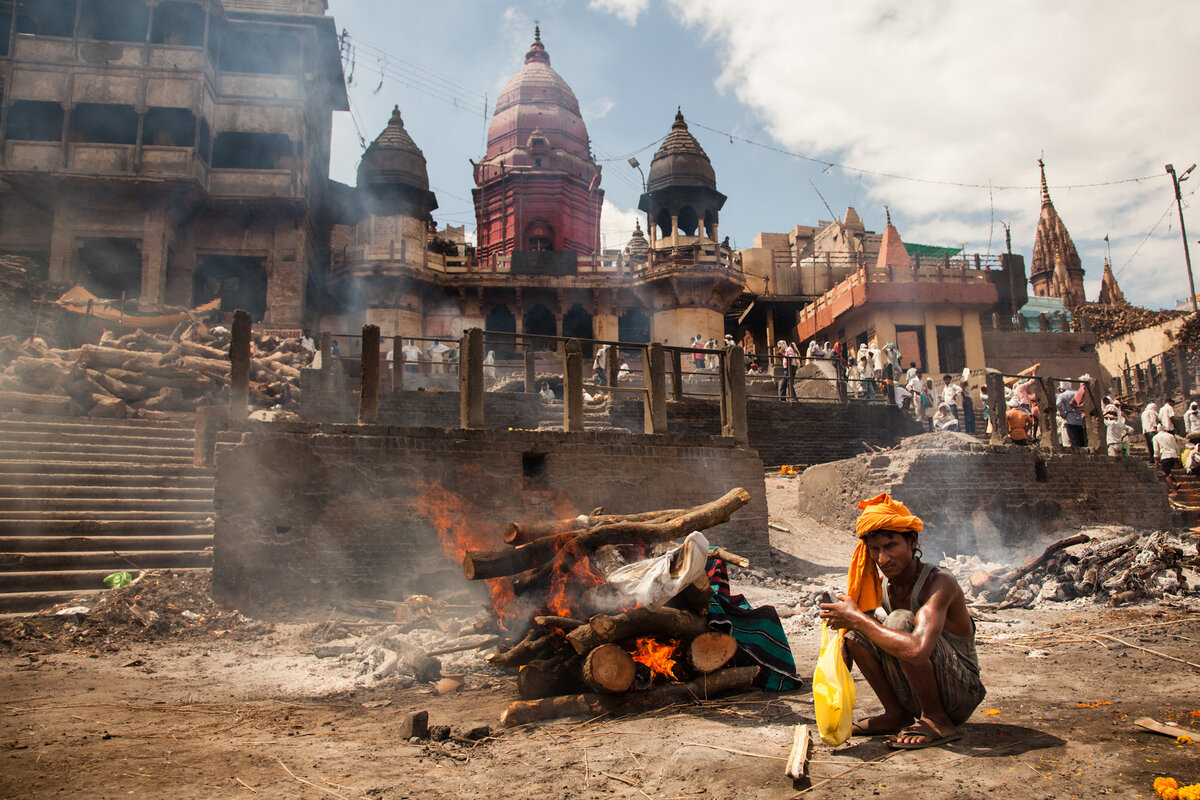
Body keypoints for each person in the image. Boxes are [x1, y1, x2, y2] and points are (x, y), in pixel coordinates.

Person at [819, 493, 985, 749]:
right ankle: (896, 713)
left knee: (896, 620)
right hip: (916, 687)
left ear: (912, 541)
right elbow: (864, 636)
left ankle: (937, 720)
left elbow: (917, 650)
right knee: (855, 635)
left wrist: (857, 619)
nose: (882, 559)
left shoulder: (939, 582)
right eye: (874, 549)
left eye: (890, 546)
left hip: (961, 692)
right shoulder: (886, 585)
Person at [1055, 381, 1087, 448]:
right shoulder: (1077, 392)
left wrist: (1063, 414)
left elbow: (1058, 404)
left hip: (1070, 419)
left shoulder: (1062, 395)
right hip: (1080, 419)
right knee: (1082, 442)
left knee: (1074, 442)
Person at [1153, 423, 1183, 491]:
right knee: (1168, 471)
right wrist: (1177, 456)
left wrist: (1156, 459)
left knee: (1166, 475)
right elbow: (1175, 446)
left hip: (1165, 455)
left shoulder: (1156, 437)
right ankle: (1177, 482)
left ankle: (1174, 491)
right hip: (1173, 455)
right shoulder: (1171, 436)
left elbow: (1156, 449)